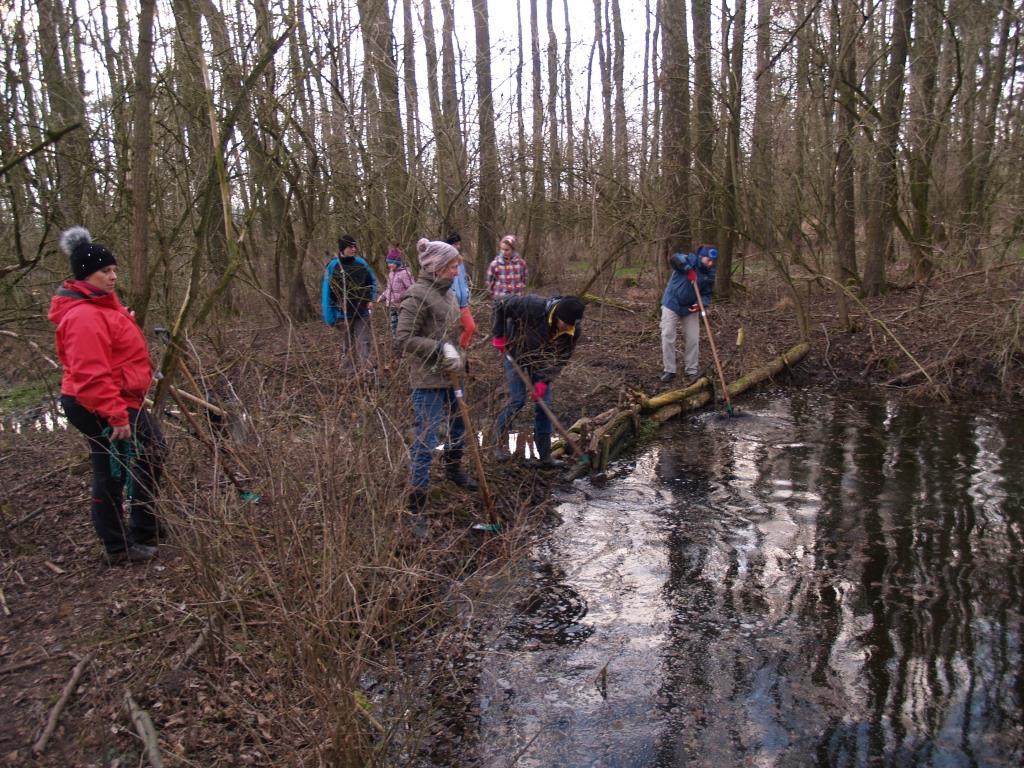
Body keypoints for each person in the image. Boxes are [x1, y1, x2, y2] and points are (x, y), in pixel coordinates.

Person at [49, 227, 166, 565]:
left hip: (115, 397)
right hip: (97, 403)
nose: (113, 276)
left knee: (152, 450)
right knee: (112, 470)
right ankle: (119, 545)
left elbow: (116, 354)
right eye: (105, 271)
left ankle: (143, 526)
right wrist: (115, 416)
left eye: (114, 270)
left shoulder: (101, 307)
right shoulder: (84, 315)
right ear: (87, 275)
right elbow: (89, 374)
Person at [395, 238, 479, 515]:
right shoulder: (416, 296)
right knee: (427, 437)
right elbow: (404, 339)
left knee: (459, 428)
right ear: (437, 267)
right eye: (452, 266)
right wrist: (440, 348)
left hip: (453, 374)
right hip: (428, 379)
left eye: (457, 265)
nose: (457, 271)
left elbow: (453, 331)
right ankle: (417, 497)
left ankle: (453, 470)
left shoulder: (449, 293)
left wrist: (461, 356)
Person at [491, 294, 585, 468]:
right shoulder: (532, 306)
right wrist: (499, 335)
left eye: (571, 325)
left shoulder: (573, 331)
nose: (566, 328)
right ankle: (496, 445)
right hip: (515, 352)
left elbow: (561, 359)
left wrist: (544, 380)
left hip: (541, 363)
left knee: (544, 405)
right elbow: (500, 304)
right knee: (517, 400)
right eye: (564, 323)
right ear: (557, 314)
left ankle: (545, 457)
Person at [659, 244, 718, 384]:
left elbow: (707, 294)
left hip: (690, 308)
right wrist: (687, 269)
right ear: (701, 257)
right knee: (667, 335)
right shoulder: (688, 260)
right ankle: (669, 370)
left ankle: (691, 370)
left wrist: (701, 304)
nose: (710, 263)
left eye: (713, 261)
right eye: (708, 260)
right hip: (672, 303)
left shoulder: (710, 273)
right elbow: (674, 258)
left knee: (693, 338)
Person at [321, 234, 378, 371]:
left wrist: (371, 299)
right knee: (348, 344)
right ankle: (349, 372)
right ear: (342, 249)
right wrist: (331, 314)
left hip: (362, 311)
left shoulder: (361, 263)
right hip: (343, 314)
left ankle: (367, 371)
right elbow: (327, 292)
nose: (354, 249)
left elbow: (372, 282)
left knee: (364, 341)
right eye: (350, 247)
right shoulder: (333, 266)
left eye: (354, 246)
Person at [445, 232, 477, 348]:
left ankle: (462, 348)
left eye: (459, 244)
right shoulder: (444, 263)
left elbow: (463, 281)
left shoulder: (461, 262)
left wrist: (467, 293)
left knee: (471, 327)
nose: (458, 246)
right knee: (451, 332)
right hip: (451, 304)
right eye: (455, 244)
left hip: (463, 303)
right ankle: (451, 353)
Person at [377, 243, 414, 336]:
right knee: (394, 324)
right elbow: (389, 289)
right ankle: (396, 341)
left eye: (391, 263)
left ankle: (405, 340)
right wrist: (382, 297)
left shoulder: (404, 274)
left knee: (402, 325)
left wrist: (403, 298)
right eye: (388, 263)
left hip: (401, 305)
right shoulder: (391, 273)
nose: (389, 265)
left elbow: (411, 289)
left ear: (397, 263)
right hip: (392, 305)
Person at [485, 234, 528, 300]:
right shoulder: (495, 264)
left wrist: (521, 289)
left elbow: (524, 279)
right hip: (500, 299)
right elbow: (489, 282)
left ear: (513, 249)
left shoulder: (521, 263)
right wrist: (493, 295)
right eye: (502, 249)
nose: (503, 252)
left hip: (517, 299)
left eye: (506, 250)